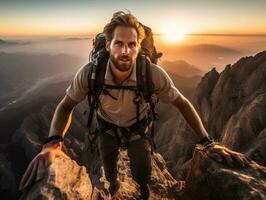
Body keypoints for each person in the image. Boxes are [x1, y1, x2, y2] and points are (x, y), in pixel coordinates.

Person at [19, 11, 249, 199]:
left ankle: (143, 191)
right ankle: (113, 186)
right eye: (119, 44)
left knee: (142, 171)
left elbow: (183, 103)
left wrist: (207, 143)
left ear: (139, 47)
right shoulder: (91, 74)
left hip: (138, 129)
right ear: (108, 45)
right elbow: (65, 105)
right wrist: (52, 144)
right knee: (109, 167)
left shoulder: (151, 73)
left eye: (132, 44)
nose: (126, 51)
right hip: (106, 128)